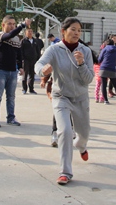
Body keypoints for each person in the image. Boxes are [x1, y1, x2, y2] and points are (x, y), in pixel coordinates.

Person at [35, 17, 94, 185]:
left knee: (84, 133)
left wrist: (81, 64)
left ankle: (81, 146)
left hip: (81, 98)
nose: (76, 33)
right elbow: (39, 64)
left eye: (79, 30)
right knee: (65, 131)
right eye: (73, 29)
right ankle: (65, 172)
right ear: (63, 31)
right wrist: (43, 70)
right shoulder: (54, 50)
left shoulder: (85, 51)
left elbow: (89, 79)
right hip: (61, 96)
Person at [0, 16, 31, 127]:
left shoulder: (17, 39)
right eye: (9, 24)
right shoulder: (1, 35)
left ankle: (11, 117)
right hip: (0, 69)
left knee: (11, 96)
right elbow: (10, 35)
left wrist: (20, 66)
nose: (12, 26)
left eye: (14, 24)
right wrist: (22, 25)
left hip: (12, 71)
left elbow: (18, 54)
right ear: (3, 25)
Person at [97, 39, 116, 105]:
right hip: (112, 69)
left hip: (103, 68)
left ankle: (106, 100)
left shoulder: (104, 49)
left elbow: (99, 59)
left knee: (104, 85)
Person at [21, 28, 39, 94]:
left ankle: (31, 89)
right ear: (26, 33)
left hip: (33, 60)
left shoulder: (35, 41)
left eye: (31, 31)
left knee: (32, 75)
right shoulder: (23, 41)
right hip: (26, 60)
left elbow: (38, 50)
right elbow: (21, 50)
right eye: (28, 31)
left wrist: (38, 59)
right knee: (25, 75)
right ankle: (24, 89)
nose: (30, 32)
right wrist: (22, 59)